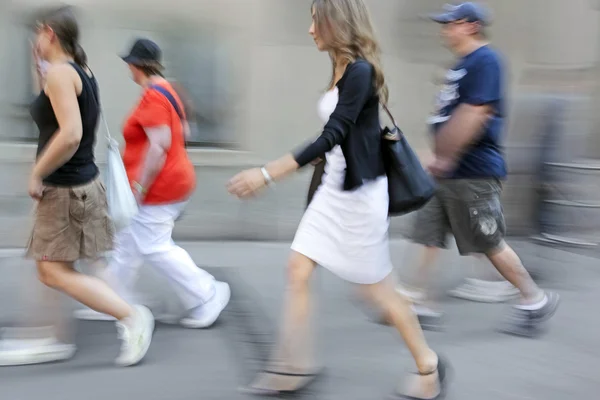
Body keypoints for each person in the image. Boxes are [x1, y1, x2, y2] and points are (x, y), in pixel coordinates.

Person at [227, 1, 449, 398]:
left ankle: (428, 365)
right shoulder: (341, 68)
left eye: (316, 20)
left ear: (336, 21)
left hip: (358, 198)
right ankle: (293, 366)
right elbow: (336, 142)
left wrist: (266, 173)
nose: (311, 30)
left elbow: (333, 134)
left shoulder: (360, 71)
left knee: (377, 290)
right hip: (332, 190)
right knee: (297, 269)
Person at [0, 5, 154, 367]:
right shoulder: (79, 71)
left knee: (52, 270)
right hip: (82, 185)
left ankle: (131, 317)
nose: (36, 39)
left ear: (49, 33)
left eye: (39, 33)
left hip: (64, 190)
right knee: (61, 267)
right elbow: (51, 109)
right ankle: (49, 337)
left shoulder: (60, 75)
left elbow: (70, 134)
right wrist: (35, 61)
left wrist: (37, 172)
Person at [411, 2, 559, 337]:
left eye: (451, 23)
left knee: (488, 242)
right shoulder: (461, 65)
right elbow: (448, 112)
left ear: (471, 26)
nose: (444, 29)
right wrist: (437, 155)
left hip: (471, 172)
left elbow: (476, 113)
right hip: (449, 171)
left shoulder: (486, 61)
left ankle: (534, 299)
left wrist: (445, 156)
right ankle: (421, 301)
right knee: (429, 234)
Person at [90, 38, 230, 329]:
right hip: (172, 181)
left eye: (129, 63)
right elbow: (184, 132)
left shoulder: (153, 96)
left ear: (136, 65)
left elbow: (159, 146)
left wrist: (139, 187)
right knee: (127, 244)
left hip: (160, 188)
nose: (127, 67)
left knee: (154, 247)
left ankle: (207, 294)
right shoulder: (167, 89)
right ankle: (112, 301)